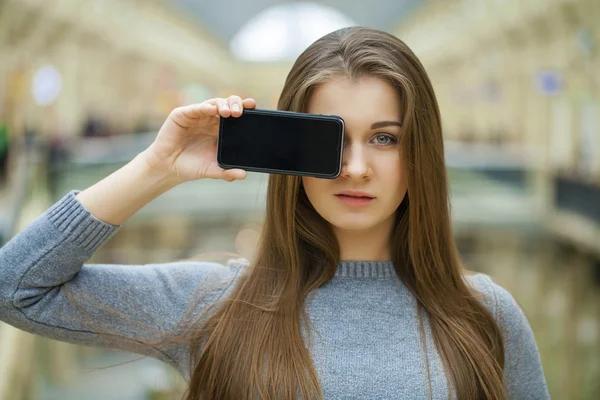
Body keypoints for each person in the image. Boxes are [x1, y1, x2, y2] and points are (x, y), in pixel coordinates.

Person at [0, 27, 549, 400]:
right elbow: (17, 288)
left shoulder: (488, 316)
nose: (355, 168)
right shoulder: (214, 304)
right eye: (331, 141)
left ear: (420, 154)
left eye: (385, 138)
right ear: (293, 153)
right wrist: (156, 167)